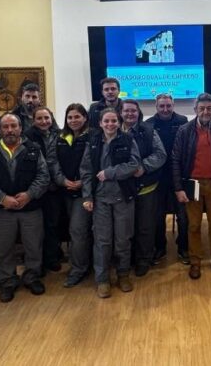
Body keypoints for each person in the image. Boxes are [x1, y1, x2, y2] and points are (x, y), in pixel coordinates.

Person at [0, 113, 50, 303]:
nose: (10, 130)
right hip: (2, 209)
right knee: (2, 248)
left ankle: (32, 277)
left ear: (21, 128)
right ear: (0, 130)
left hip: (30, 207)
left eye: (14, 126)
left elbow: (43, 176)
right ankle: (8, 281)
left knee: (33, 245)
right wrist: (2, 198)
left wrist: (29, 194)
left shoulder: (33, 149)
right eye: (6, 127)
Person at [80, 108, 141, 298]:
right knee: (102, 241)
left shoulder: (128, 140)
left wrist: (109, 173)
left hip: (123, 197)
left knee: (123, 239)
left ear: (119, 121)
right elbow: (86, 171)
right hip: (100, 200)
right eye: (106, 121)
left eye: (113, 121)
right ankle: (102, 279)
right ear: (100, 123)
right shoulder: (92, 143)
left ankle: (123, 275)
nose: (110, 124)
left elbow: (134, 165)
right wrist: (87, 196)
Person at [172, 93, 211, 279]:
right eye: (202, 108)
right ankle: (195, 261)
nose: (206, 111)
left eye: (209, 108)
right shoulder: (184, 130)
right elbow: (175, 160)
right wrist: (178, 188)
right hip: (192, 185)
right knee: (194, 226)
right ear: (195, 110)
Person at [120, 99, 167, 277]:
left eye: (133, 111)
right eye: (126, 111)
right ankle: (127, 259)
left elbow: (161, 155)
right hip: (121, 189)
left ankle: (143, 260)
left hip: (145, 187)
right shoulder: (113, 130)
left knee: (145, 226)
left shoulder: (149, 131)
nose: (130, 114)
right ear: (121, 112)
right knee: (125, 227)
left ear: (138, 113)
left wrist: (143, 167)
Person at [50, 103, 93, 288]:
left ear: (85, 118)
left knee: (78, 231)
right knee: (74, 231)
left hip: (85, 192)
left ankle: (78, 269)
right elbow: (52, 161)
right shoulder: (59, 137)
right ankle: (83, 263)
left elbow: (97, 163)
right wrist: (62, 180)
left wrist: (83, 182)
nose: (74, 120)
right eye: (70, 117)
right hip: (64, 191)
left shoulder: (94, 136)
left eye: (77, 116)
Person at [145, 93, 189, 263]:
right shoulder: (148, 124)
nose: (165, 109)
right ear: (156, 107)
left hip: (180, 177)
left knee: (183, 216)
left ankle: (183, 248)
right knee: (157, 216)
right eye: (162, 106)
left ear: (173, 105)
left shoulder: (183, 121)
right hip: (157, 178)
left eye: (168, 106)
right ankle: (160, 247)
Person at [24, 106, 65, 273]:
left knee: (53, 224)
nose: (44, 121)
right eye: (39, 118)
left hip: (56, 187)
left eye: (46, 118)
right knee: (37, 227)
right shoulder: (27, 137)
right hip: (36, 186)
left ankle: (52, 256)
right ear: (33, 121)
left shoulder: (60, 134)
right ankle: (37, 262)